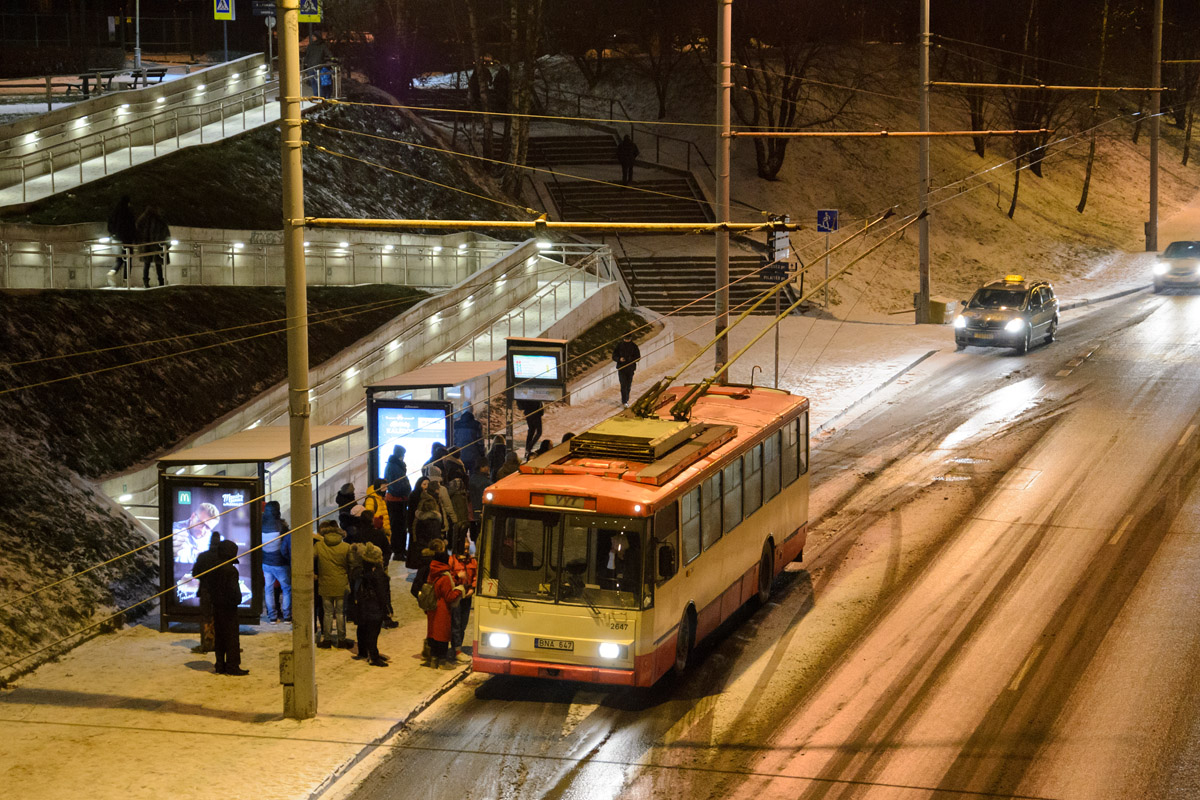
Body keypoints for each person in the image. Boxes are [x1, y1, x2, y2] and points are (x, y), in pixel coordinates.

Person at [423, 540, 467, 669]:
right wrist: (460, 589)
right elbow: (449, 596)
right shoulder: (445, 576)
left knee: (433, 633)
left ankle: (433, 660)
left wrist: (456, 578)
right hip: (442, 609)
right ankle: (442, 662)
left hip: (432, 606)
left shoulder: (433, 571)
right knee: (442, 635)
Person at [314, 521, 354, 649]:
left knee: (327, 613)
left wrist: (315, 574)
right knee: (341, 613)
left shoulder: (319, 546)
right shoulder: (346, 547)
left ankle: (327, 639)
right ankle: (341, 640)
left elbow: (309, 558)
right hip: (341, 583)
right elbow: (352, 564)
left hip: (324, 583)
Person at [212, 539, 249, 676]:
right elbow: (234, 591)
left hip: (217, 606)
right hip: (229, 608)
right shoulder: (231, 571)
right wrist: (237, 600)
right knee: (232, 637)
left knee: (220, 637)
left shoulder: (214, 568)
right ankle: (233, 666)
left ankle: (220, 665)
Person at [353, 543, 391, 667]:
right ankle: (373, 656)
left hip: (362, 603)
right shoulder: (378, 574)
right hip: (374, 605)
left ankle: (363, 651)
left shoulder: (360, 570)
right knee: (373, 631)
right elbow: (381, 593)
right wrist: (386, 608)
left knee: (363, 628)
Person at [190, 531, 222, 653]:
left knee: (206, 618)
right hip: (221, 593)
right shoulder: (223, 558)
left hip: (206, 591)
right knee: (219, 618)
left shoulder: (203, 557)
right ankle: (218, 643)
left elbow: (195, 574)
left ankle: (206, 644)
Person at [260, 501, 292, 624]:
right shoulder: (282, 526)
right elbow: (285, 547)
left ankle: (272, 617)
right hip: (280, 563)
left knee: (268, 589)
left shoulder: (261, 525)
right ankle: (287, 616)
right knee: (286, 589)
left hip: (266, 563)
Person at [449, 536, 477, 661]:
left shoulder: (472, 561)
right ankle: (456, 650)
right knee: (456, 623)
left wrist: (473, 588)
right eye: (464, 548)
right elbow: (448, 578)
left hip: (467, 596)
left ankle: (457, 648)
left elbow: (476, 576)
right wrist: (456, 575)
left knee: (463, 624)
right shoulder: (452, 561)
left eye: (468, 548)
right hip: (457, 596)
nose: (466, 551)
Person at [383, 445, 411, 561]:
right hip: (397, 501)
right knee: (398, 527)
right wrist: (406, 490)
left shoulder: (393, 465)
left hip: (399, 500)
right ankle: (398, 551)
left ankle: (401, 550)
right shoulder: (394, 467)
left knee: (400, 527)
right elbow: (396, 485)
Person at [136, 205, 170, 288]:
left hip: (147, 244)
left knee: (146, 264)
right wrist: (166, 244)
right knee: (158, 264)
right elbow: (166, 232)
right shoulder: (159, 219)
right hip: (157, 244)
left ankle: (146, 282)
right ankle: (161, 282)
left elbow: (138, 226)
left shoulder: (144, 219)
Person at [107, 195, 137, 283]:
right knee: (128, 259)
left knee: (119, 259)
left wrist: (112, 233)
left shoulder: (114, 212)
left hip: (115, 238)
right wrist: (135, 238)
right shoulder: (128, 212)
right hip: (126, 239)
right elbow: (132, 227)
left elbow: (110, 224)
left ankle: (112, 271)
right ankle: (126, 280)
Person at [612, 333, 642, 407]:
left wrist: (630, 359)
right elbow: (614, 356)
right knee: (623, 385)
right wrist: (619, 359)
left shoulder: (634, 346)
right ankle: (624, 400)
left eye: (628, 338)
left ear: (631, 338)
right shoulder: (619, 346)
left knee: (628, 385)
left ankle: (626, 398)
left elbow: (638, 357)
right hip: (622, 368)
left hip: (630, 368)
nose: (627, 340)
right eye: (625, 338)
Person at [467, 461, 491, 544]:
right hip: (479, 507)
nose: (486, 468)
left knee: (474, 528)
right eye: (484, 466)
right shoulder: (484, 481)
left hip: (472, 507)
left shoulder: (473, 478)